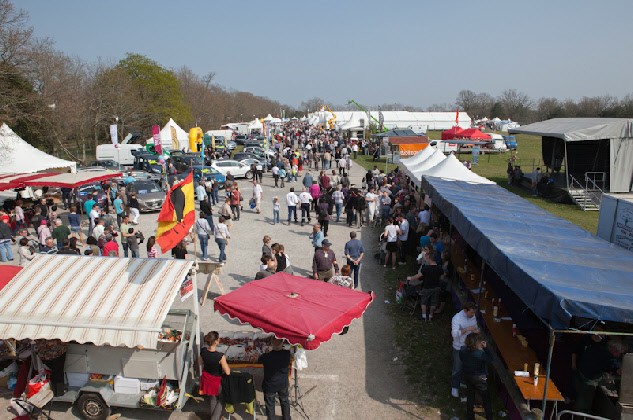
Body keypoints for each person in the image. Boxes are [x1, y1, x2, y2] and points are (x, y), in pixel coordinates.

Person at [573, 338, 627, 412]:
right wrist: (618, 370)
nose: (618, 356)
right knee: (584, 402)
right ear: (613, 348)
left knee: (579, 397)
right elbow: (612, 365)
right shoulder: (606, 355)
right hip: (588, 378)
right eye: (619, 353)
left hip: (581, 373)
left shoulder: (598, 347)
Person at [460, 333, 494, 420]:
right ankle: (489, 417)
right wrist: (486, 348)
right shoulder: (480, 354)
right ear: (477, 343)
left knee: (470, 396)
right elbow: (490, 359)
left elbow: (462, 358)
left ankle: (469, 416)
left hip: (467, 375)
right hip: (480, 377)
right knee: (486, 398)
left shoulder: (462, 350)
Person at [199, 331, 231, 420]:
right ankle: (215, 418)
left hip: (206, 379)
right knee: (222, 399)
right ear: (216, 341)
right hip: (216, 381)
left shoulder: (203, 351)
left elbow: (199, 362)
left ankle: (214, 417)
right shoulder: (220, 356)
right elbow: (227, 372)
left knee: (213, 398)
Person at [451, 302, 479, 398]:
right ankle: (455, 387)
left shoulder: (472, 316)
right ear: (465, 310)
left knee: (466, 366)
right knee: (457, 368)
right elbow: (454, 334)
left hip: (469, 346)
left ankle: (462, 381)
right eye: (471, 313)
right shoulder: (457, 318)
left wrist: (475, 330)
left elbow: (474, 326)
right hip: (459, 347)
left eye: (474, 313)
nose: (473, 315)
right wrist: (467, 329)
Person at [258, 338, 291, 420]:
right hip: (282, 383)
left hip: (270, 385)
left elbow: (259, 360)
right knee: (284, 401)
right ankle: (287, 418)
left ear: (271, 345)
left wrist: (266, 352)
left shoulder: (266, 356)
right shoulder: (286, 354)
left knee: (270, 404)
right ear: (282, 344)